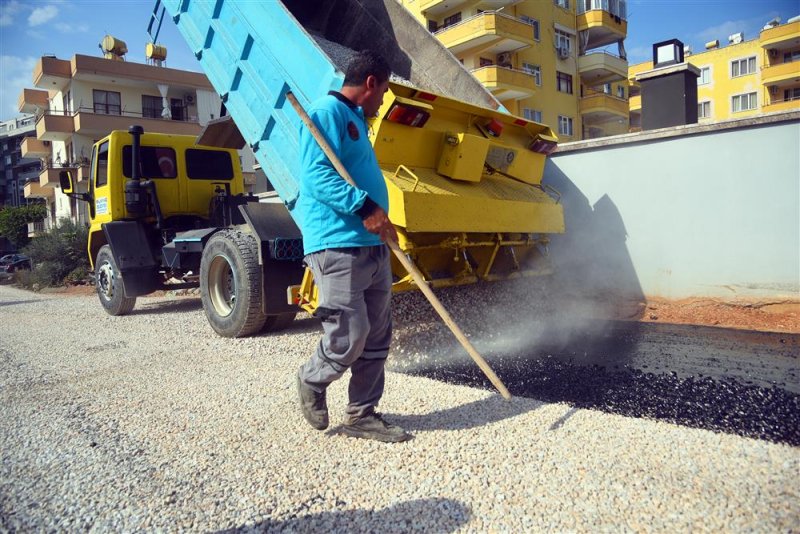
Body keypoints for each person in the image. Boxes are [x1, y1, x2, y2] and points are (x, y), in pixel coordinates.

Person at [295, 50, 411, 443]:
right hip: (338, 243)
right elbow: (314, 176)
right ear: (371, 83)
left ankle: (362, 414)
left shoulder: (358, 121)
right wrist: (365, 207)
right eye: (384, 92)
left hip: (372, 242)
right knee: (351, 332)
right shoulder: (327, 111)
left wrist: (383, 221)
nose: (382, 100)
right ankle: (312, 378)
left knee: (378, 335)